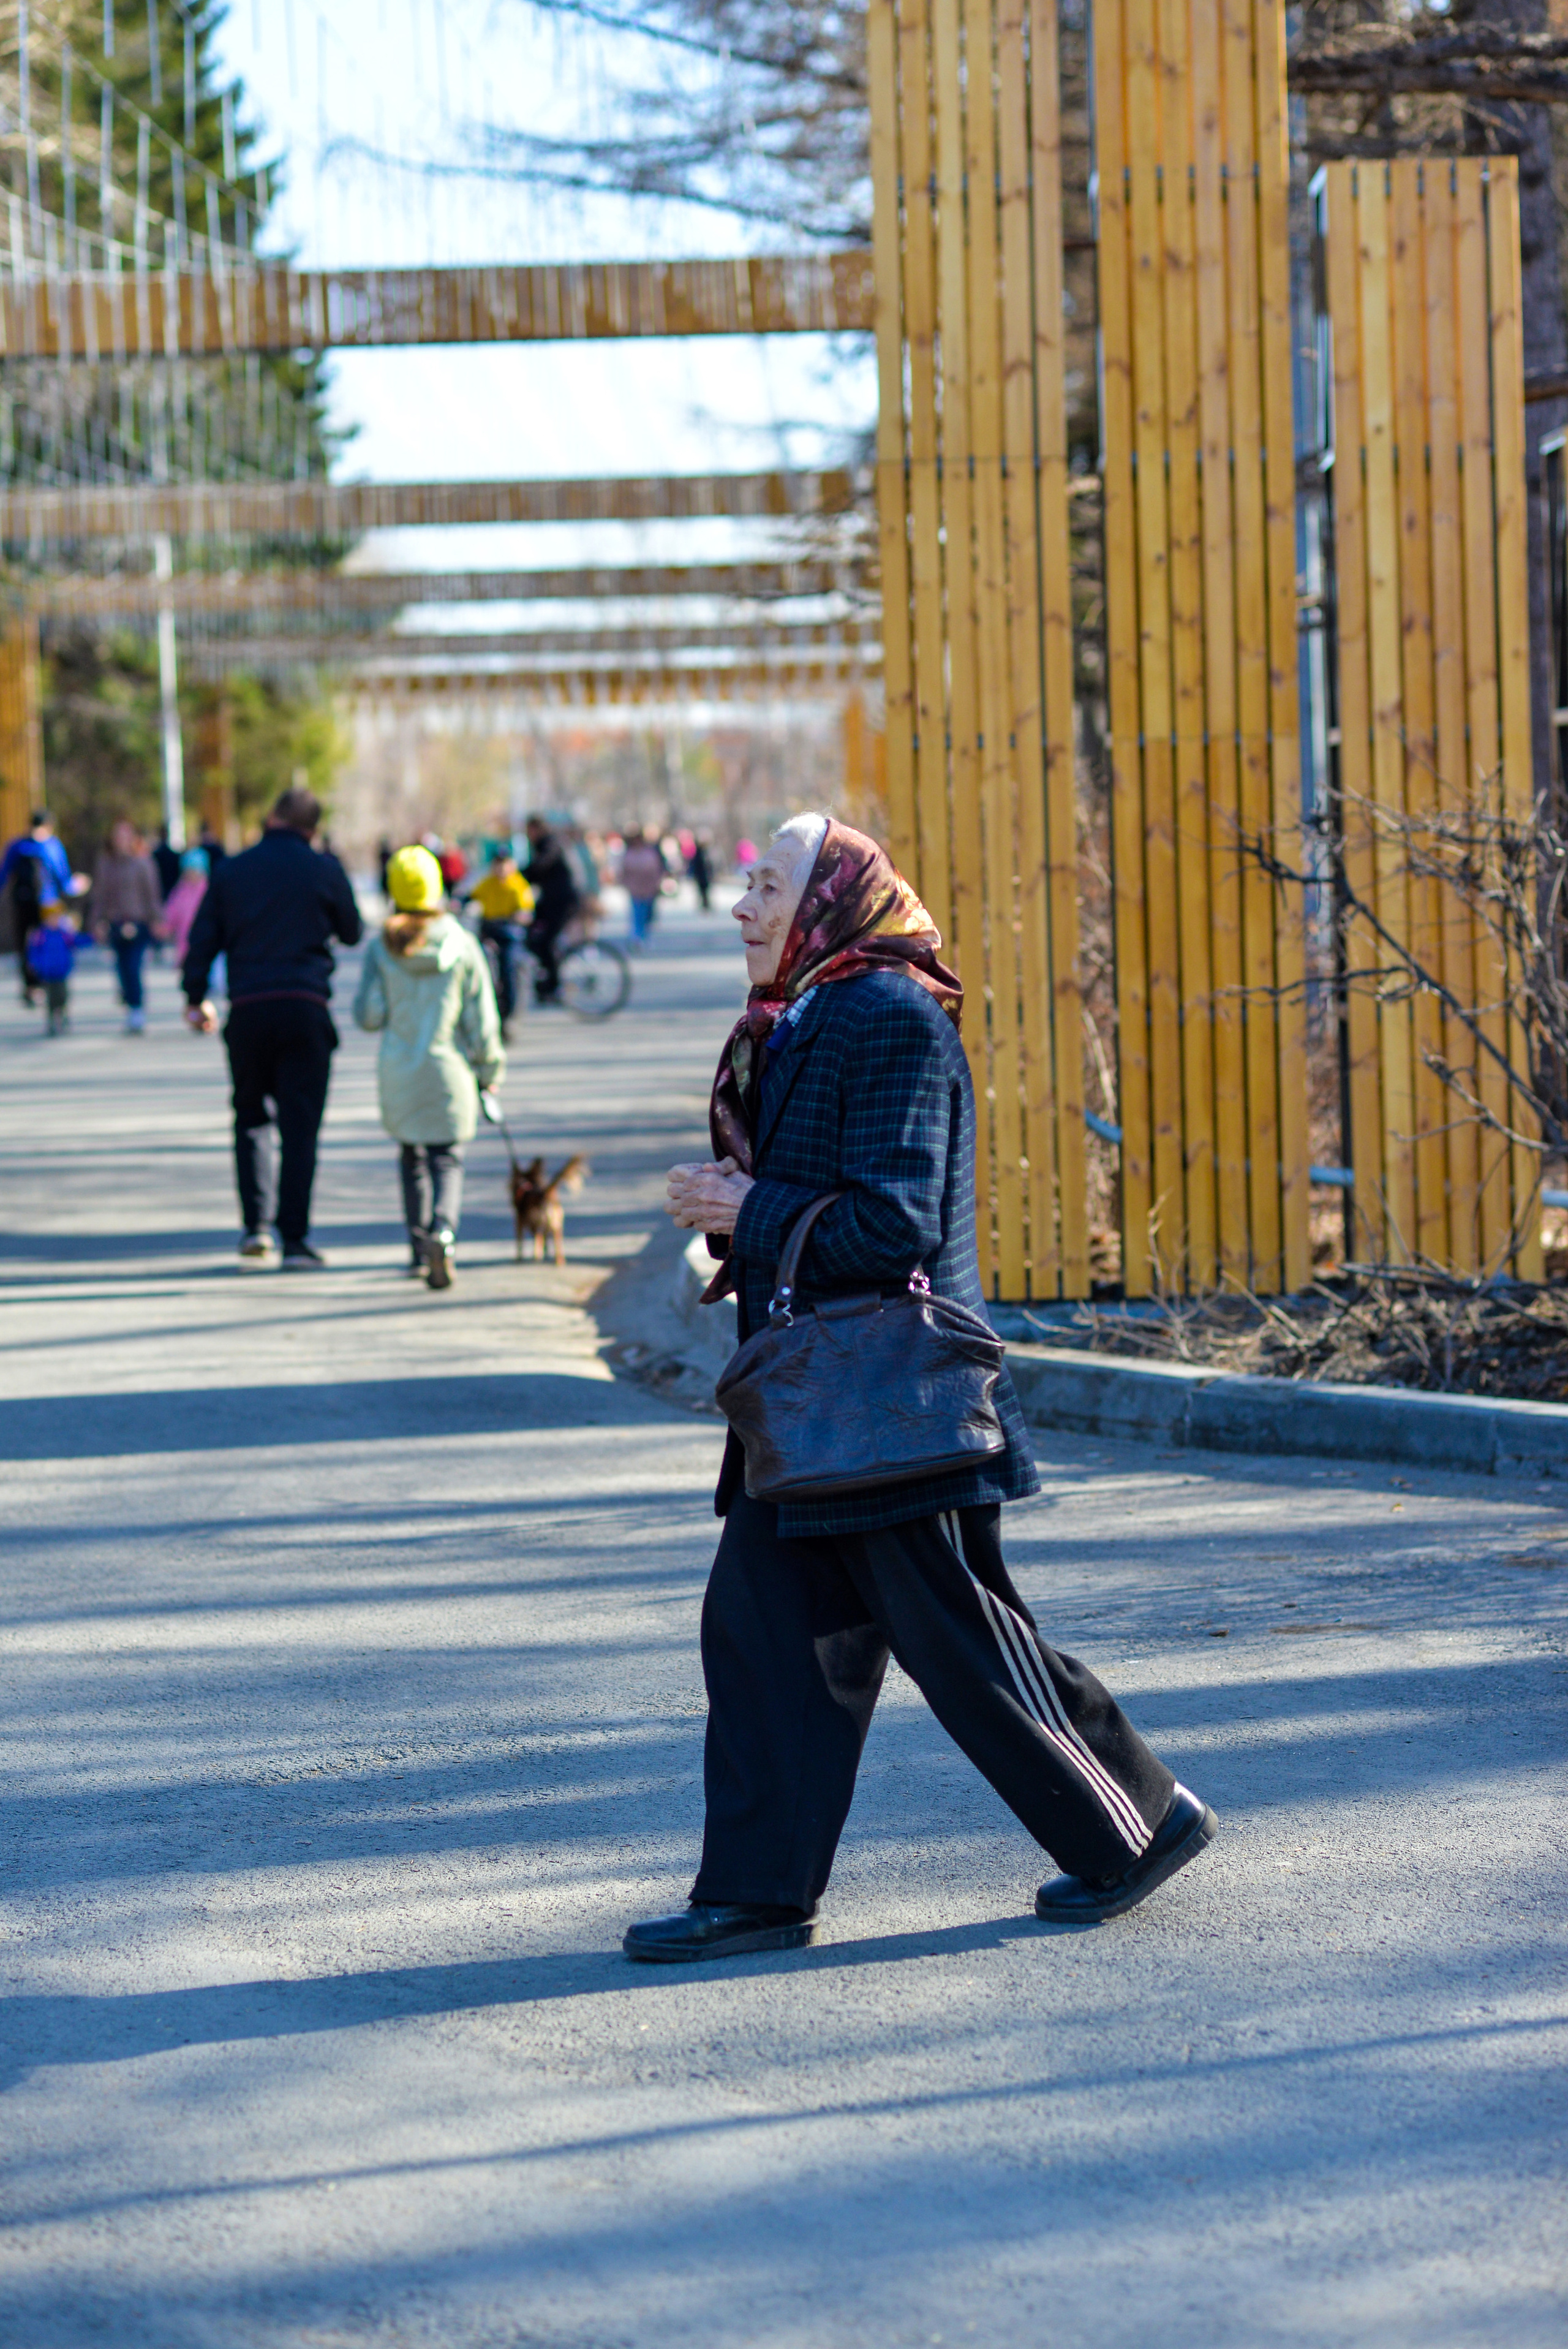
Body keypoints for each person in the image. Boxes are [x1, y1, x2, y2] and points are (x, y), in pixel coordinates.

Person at [623, 815, 1216, 1964]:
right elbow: (826, 1196)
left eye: (769, 885)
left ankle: (1139, 1822)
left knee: (967, 1646)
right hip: (812, 1403)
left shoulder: (885, 1014)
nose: (743, 907)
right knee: (762, 1639)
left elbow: (894, 1222)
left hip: (889, 1403)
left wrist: (752, 1212)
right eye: (746, 883)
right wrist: (740, 1201)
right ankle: (756, 1891)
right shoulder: (807, 1013)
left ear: (834, 898)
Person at [183, 785, 363, 1269]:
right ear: (312, 828)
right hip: (305, 1005)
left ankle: (256, 1229)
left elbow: (202, 938)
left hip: (249, 1007)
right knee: (301, 1127)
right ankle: (296, 1238)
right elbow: (352, 931)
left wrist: (194, 995)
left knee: (251, 1118)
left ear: (271, 817)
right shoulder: (323, 869)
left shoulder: (232, 870)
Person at [353, 845, 505, 1292]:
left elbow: (368, 1016)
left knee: (412, 1157)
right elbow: (482, 1019)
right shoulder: (461, 943)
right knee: (448, 1158)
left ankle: (419, 1247)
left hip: (400, 1069)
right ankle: (445, 1230)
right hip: (450, 1069)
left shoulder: (382, 948)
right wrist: (490, 1069)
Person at [92, 820, 165, 1032]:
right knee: (122, 968)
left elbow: (152, 895)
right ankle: (130, 1003)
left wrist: (157, 920)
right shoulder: (106, 864)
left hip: (138, 922)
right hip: (116, 922)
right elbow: (100, 896)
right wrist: (97, 922)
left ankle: (137, 1009)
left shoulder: (143, 863)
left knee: (134, 967)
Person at [2, 811, 73, 1004]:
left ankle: (32, 986)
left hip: (24, 903)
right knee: (44, 944)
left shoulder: (17, 846)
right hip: (47, 905)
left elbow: (4, 875)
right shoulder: (51, 846)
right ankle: (44, 983)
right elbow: (63, 878)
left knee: (25, 945)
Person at [467, 849, 534, 1037]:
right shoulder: (488, 884)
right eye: (498, 864)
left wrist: (518, 917)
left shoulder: (518, 885)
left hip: (509, 934)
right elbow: (472, 896)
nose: (501, 869)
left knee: (509, 967)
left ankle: (509, 1014)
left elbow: (526, 910)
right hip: (488, 931)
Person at [522, 814, 581, 1005]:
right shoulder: (548, 843)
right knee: (532, 934)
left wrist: (519, 875)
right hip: (551, 900)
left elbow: (540, 867)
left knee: (547, 941)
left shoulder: (550, 844)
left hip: (562, 901)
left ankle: (555, 985)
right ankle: (544, 978)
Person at [26, 899, 77, 1035]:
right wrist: (34, 964)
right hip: (48, 973)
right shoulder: (40, 935)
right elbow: (34, 951)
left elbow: (76, 941)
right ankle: (52, 1022)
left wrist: (93, 937)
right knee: (51, 999)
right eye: (51, 918)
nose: (54, 920)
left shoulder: (64, 934)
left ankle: (63, 1018)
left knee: (63, 996)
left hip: (62, 972)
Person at [159, 847, 209, 964]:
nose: (191, 874)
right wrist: (164, 928)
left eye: (195, 870)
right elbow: (171, 913)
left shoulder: (209, 891)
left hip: (206, 946)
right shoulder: (180, 891)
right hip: (184, 946)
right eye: (188, 870)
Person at [620, 826, 666, 948]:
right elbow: (624, 872)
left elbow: (656, 869)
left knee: (648, 914)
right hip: (635, 889)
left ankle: (645, 936)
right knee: (637, 914)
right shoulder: (629, 854)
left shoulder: (650, 853)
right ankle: (637, 938)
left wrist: (657, 883)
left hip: (649, 889)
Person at [687, 829, 715, 912]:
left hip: (705, 875)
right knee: (702, 891)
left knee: (705, 891)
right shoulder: (699, 852)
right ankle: (705, 905)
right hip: (701, 875)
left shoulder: (708, 851)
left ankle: (706, 905)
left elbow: (711, 864)